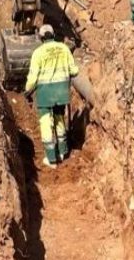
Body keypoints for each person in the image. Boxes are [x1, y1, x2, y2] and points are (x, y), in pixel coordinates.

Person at [24, 24, 79, 169]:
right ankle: (63, 152)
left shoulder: (38, 53)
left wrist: (27, 91)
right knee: (59, 119)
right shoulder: (64, 49)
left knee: (46, 123)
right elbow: (74, 70)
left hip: (45, 93)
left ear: (41, 38)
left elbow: (33, 78)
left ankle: (51, 159)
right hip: (61, 91)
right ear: (53, 35)